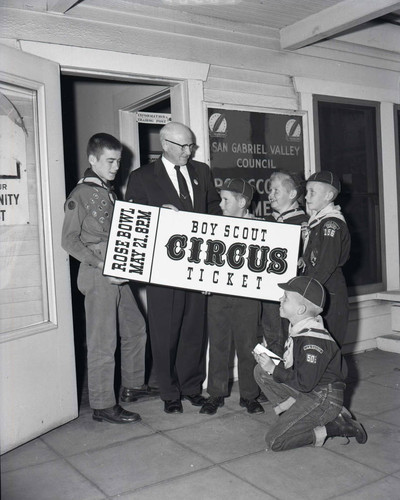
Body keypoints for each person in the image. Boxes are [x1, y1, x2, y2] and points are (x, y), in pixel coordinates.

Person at [125, 122, 221, 414]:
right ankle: (169, 392)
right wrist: (158, 215)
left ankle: (192, 387)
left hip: (197, 265)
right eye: (183, 146)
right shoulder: (141, 177)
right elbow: (134, 219)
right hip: (163, 269)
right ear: (164, 144)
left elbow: (214, 209)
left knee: (194, 329)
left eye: (191, 146)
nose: (189, 152)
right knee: (165, 331)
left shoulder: (201, 171)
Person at [62, 133, 149, 424]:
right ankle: (102, 404)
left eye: (118, 161)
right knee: (103, 340)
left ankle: (132, 386)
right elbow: (69, 241)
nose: (116, 167)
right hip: (99, 272)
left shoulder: (108, 191)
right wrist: (101, 264)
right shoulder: (81, 194)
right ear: (93, 159)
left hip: (115, 268)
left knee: (135, 327)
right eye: (110, 161)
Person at [253, 276, 367, 452]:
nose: (280, 300)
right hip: (314, 391)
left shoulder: (312, 341)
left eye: (286, 297)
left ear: (301, 309)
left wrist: (274, 368)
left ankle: (335, 427)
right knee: (261, 371)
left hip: (323, 398)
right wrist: (270, 365)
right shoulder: (301, 329)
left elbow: (305, 383)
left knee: (275, 441)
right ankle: (295, 417)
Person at [200, 179, 264, 416]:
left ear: (242, 202)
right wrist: (204, 281)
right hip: (218, 295)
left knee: (248, 345)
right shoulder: (215, 226)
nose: (221, 204)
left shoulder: (260, 228)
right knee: (217, 345)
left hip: (247, 297)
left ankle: (249, 395)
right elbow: (207, 257)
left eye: (226, 199)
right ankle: (215, 393)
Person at [300, 171, 350, 347]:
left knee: (328, 348)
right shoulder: (318, 222)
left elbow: (326, 265)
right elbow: (313, 257)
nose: (306, 196)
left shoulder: (331, 224)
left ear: (329, 196)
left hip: (328, 290)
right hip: (319, 286)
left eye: (312, 192)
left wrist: (306, 293)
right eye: (306, 192)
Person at [261, 171, 308, 357]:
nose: (270, 195)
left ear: (292, 194)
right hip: (269, 296)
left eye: (276, 191)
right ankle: (273, 382)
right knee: (272, 337)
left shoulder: (305, 223)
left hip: (293, 296)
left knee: (292, 338)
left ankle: (287, 381)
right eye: (270, 190)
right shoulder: (267, 221)